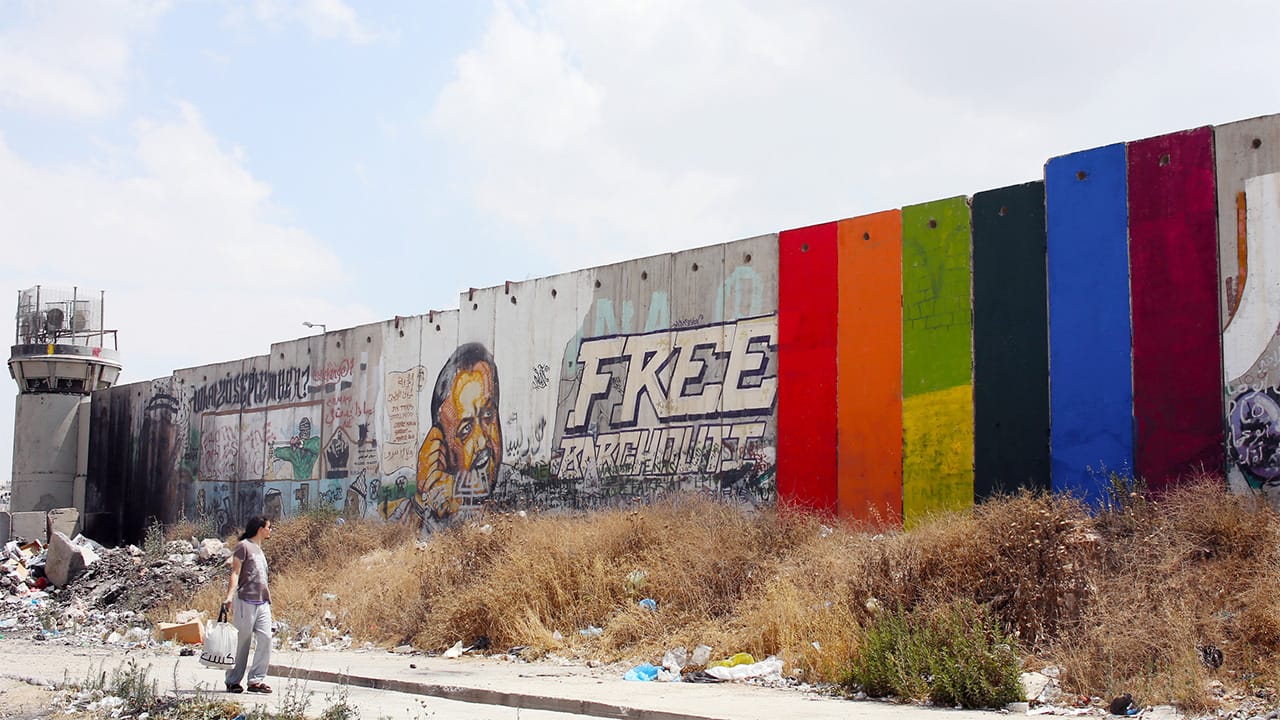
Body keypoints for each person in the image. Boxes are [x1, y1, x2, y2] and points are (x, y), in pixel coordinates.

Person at [416, 343, 503, 520]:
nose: (482, 440)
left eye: (488, 415)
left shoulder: (520, 489)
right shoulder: (411, 513)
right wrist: (425, 502)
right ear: (442, 449)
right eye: (466, 429)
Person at [223, 516, 273, 694]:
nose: (270, 530)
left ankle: (256, 680)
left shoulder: (259, 549)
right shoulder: (243, 546)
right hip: (246, 600)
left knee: (266, 638)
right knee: (242, 642)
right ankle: (233, 680)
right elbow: (235, 573)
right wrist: (229, 597)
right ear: (260, 529)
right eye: (269, 527)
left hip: (263, 601)